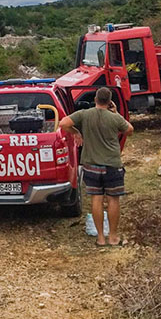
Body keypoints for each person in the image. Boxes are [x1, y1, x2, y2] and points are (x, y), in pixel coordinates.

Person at [58, 87, 133, 246]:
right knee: (113, 200)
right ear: (109, 101)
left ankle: (100, 238)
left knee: (96, 200)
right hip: (112, 165)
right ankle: (113, 237)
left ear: (95, 100)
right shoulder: (114, 118)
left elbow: (63, 123)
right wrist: (116, 113)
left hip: (91, 165)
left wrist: (76, 132)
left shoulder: (85, 114)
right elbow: (130, 130)